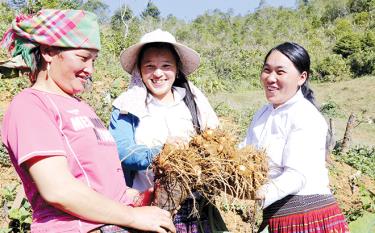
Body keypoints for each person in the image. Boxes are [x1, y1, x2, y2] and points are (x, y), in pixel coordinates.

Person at [0, 10, 175, 233]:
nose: (90, 70)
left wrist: (136, 196)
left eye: (94, 60)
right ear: (48, 52)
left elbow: (99, 183)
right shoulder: (31, 105)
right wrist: (131, 215)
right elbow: (58, 189)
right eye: (83, 58)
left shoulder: (82, 107)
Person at [109, 29, 220, 233]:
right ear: (139, 70)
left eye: (166, 66)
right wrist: (161, 152)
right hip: (147, 209)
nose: (158, 73)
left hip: (195, 209)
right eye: (149, 66)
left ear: (177, 70)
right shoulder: (127, 106)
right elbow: (121, 151)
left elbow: (216, 144)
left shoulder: (193, 103)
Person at [240, 42, 349, 233]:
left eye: (280, 72)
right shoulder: (262, 114)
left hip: (307, 220)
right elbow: (243, 152)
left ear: (302, 77)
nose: (271, 78)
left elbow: (296, 176)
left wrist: (256, 192)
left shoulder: (305, 115)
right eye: (267, 70)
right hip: (276, 217)